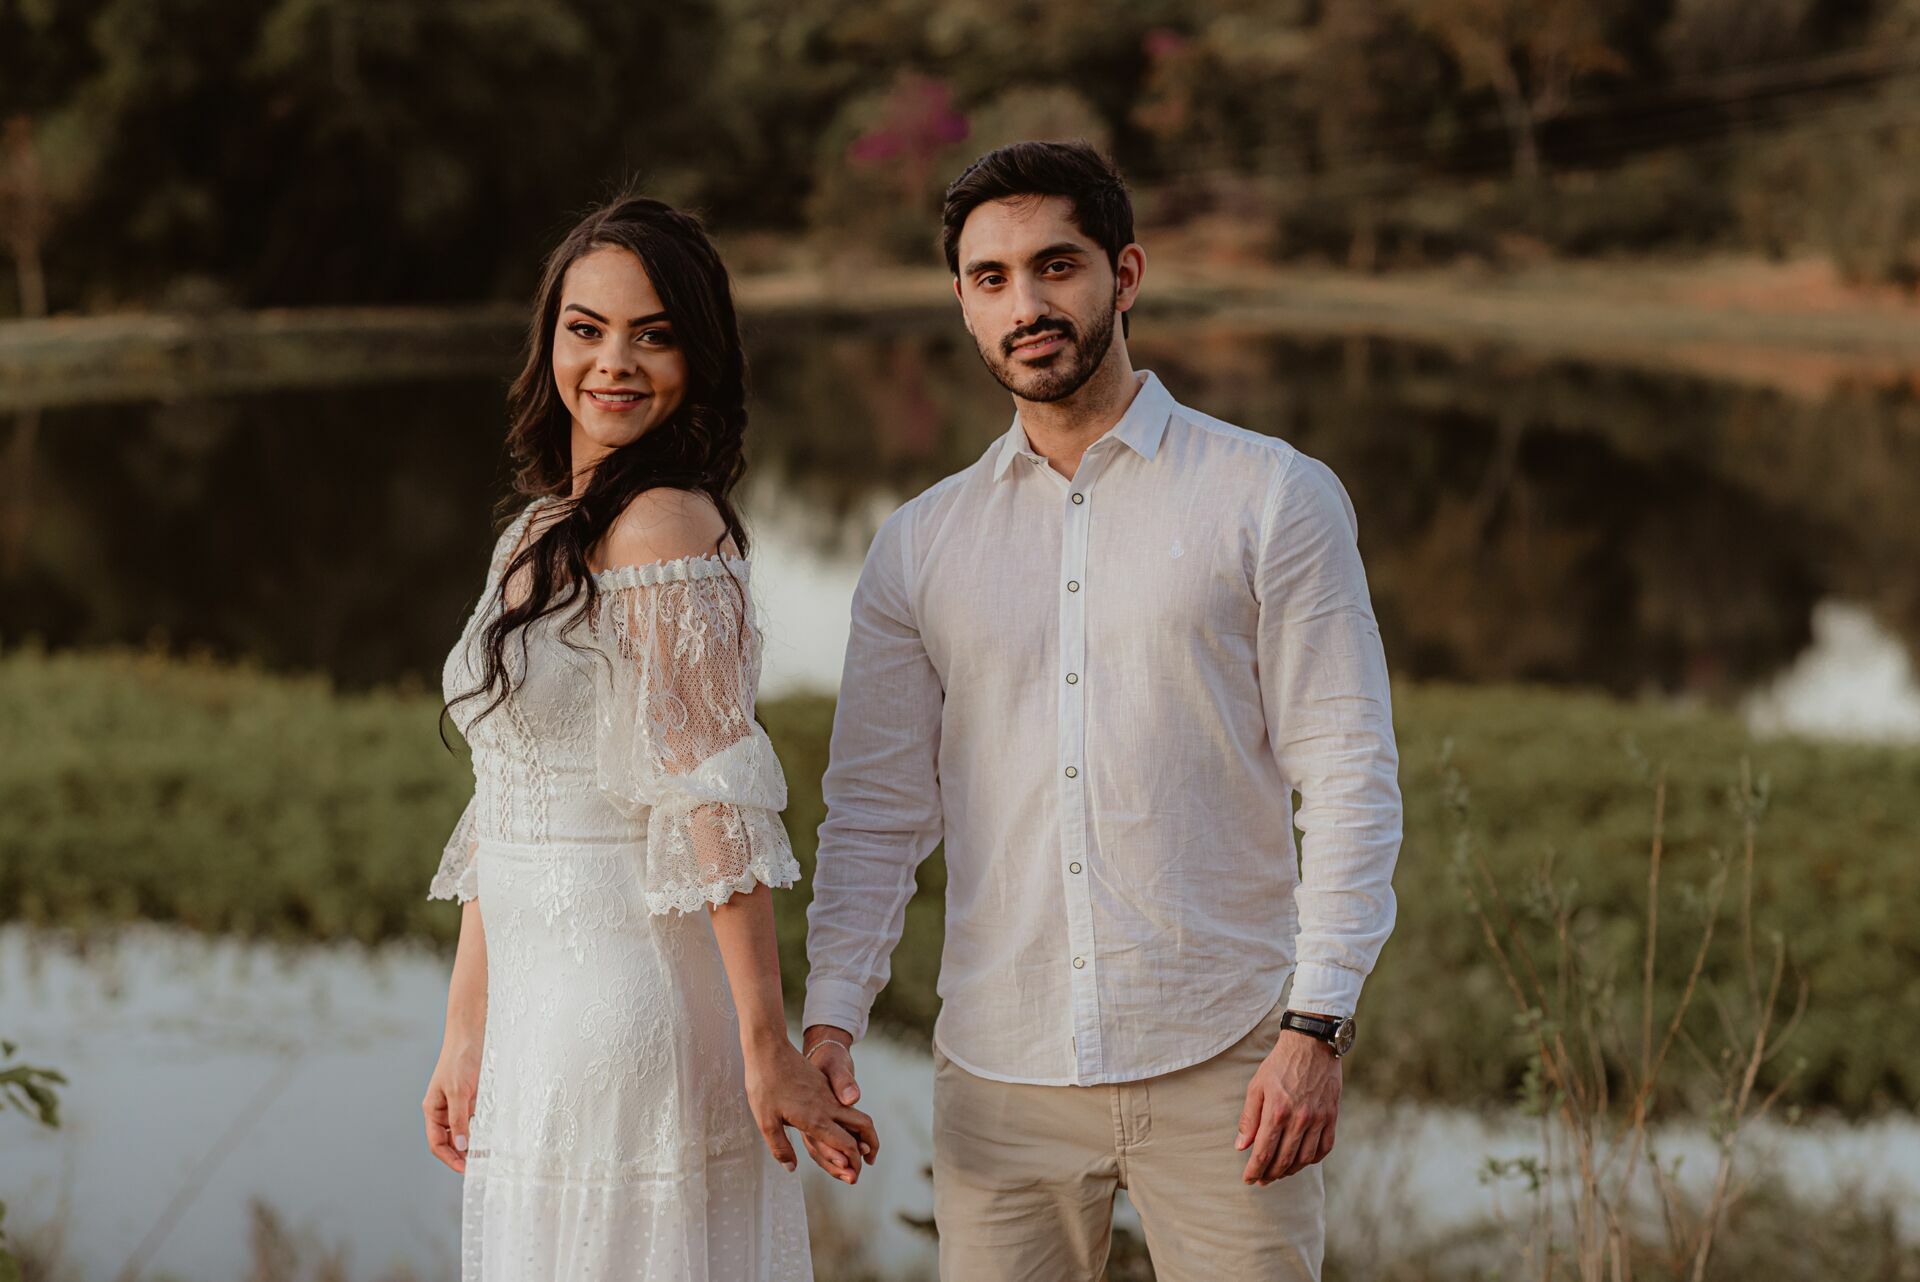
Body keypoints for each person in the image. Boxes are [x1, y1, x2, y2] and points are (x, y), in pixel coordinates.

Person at [801, 142, 1402, 1281]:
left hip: (1229, 1061)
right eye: (989, 279)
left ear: (1124, 274)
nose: (1025, 305)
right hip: (1000, 1074)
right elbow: (877, 812)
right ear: (965, 306)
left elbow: (1350, 770)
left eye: (1055, 266)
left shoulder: (1270, 494)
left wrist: (1316, 1025)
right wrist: (831, 1018)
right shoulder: (919, 545)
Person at [419, 194, 876, 1281]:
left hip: (636, 1018)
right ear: (550, 342)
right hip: (538, 1028)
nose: (614, 362)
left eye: (654, 332)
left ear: (699, 354)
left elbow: (716, 802)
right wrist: (464, 1030)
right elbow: (508, 804)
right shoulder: (536, 531)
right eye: (587, 329)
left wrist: (766, 1041)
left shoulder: (666, 522)